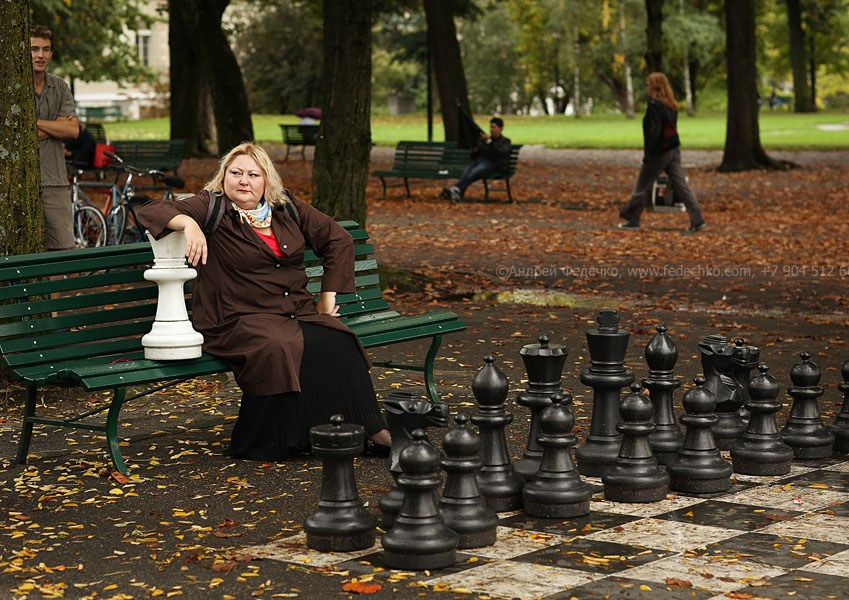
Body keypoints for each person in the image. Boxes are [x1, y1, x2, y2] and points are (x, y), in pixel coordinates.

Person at [138, 143, 391, 460]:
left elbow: (337, 238)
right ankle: (269, 440)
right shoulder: (212, 207)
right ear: (224, 176)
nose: (244, 181)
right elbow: (150, 210)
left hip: (293, 312)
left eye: (253, 174)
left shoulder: (285, 208)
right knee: (280, 346)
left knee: (337, 338)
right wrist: (188, 224)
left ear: (266, 181)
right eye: (236, 173)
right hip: (235, 318)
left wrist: (328, 297)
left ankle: (368, 428)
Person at [617, 72, 705, 232]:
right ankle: (697, 218)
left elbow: (655, 131)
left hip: (659, 151)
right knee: (681, 185)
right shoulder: (672, 105)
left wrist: (648, 154)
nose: (647, 87)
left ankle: (632, 218)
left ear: (655, 86)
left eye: (648, 84)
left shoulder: (654, 106)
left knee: (642, 185)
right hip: (673, 148)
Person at [32, 25, 80, 250]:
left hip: (55, 181)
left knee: (62, 249)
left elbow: (72, 130)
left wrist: (35, 122)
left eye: (45, 49)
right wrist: (56, 126)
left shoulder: (60, 87)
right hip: (18, 181)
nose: (40, 55)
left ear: (51, 53)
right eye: (34, 49)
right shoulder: (9, 88)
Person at [442, 117, 511, 203]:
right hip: (480, 162)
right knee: (467, 172)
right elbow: (480, 152)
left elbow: (500, 153)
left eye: (494, 127)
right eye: (490, 127)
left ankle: (455, 189)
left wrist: (489, 142)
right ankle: (457, 192)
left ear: (500, 128)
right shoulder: (485, 140)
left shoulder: (505, 141)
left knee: (474, 172)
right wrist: (476, 149)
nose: (491, 130)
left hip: (494, 165)